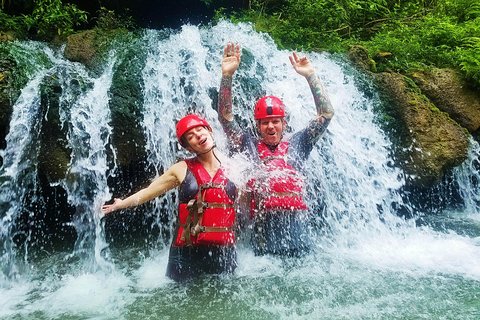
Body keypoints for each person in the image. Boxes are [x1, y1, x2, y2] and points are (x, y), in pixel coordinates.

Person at [217, 43, 334, 256]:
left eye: (275, 121)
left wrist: (310, 75)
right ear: (258, 126)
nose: (270, 126)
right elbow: (225, 119)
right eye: (264, 122)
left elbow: (326, 114)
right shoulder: (248, 144)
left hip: (298, 231)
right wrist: (227, 75)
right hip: (263, 232)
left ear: (283, 123)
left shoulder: (300, 142)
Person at [102, 114, 238, 281]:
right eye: (191, 136)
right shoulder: (180, 169)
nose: (198, 135)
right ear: (189, 148)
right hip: (185, 252)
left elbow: (245, 202)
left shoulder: (236, 166)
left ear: (209, 131)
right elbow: (148, 192)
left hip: (223, 251)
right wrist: (120, 204)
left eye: (200, 129)